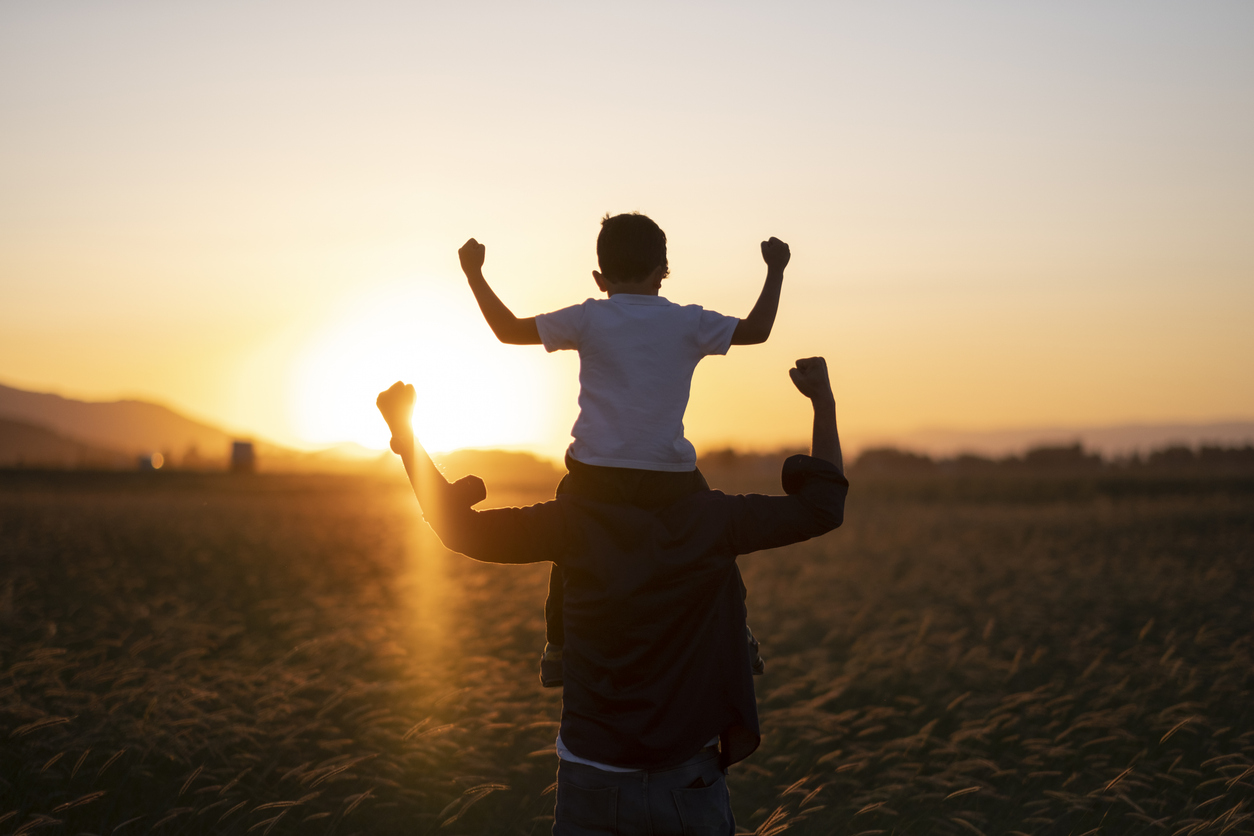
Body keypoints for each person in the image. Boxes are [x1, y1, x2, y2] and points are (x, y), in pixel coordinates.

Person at [376, 356, 848, 835]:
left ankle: (555, 650)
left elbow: (459, 529)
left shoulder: (572, 521)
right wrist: (823, 404)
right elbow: (822, 508)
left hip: (591, 775)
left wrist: (407, 437)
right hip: (690, 779)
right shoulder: (714, 519)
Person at [458, 212, 791, 685]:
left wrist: (474, 273)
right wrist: (775, 269)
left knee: (565, 543)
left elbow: (509, 329)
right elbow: (757, 329)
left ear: (599, 278)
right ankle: (739, 633)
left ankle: (558, 645)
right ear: (665, 271)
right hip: (669, 477)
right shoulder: (688, 321)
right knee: (717, 543)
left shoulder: (589, 316)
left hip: (595, 473)